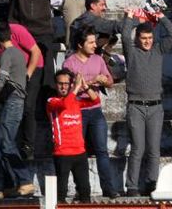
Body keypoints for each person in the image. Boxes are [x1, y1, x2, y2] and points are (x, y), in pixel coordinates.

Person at [121, 12, 172, 196]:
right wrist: (129, 18)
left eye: (150, 38)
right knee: (138, 148)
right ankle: (131, 187)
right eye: (144, 38)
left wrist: (162, 17)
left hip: (155, 106)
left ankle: (151, 183)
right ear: (137, 39)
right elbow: (124, 35)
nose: (147, 41)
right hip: (136, 106)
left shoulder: (158, 50)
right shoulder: (131, 52)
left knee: (154, 148)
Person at [60, 28, 119, 199]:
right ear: (80, 44)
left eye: (95, 42)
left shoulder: (98, 59)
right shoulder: (69, 63)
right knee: (79, 152)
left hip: (95, 109)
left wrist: (103, 80)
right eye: (91, 42)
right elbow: (68, 89)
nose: (95, 45)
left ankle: (108, 188)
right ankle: (82, 190)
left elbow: (110, 82)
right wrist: (92, 82)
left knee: (102, 150)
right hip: (77, 111)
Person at [0, 26, 33, 198]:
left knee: (7, 143)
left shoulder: (6, 54)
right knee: (5, 144)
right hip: (17, 100)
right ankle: (12, 184)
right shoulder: (19, 54)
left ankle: (25, 180)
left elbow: (2, 77)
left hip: (13, 99)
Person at [47, 69, 92, 204]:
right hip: (62, 152)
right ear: (55, 85)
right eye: (60, 83)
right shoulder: (51, 101)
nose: (63, 87)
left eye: (67, 83)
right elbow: (64, 104)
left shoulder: (76, 101)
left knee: (85, 191)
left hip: (80, 152)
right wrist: (76, 88)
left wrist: (85, 86)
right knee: (61, 193)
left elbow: (95, 101)